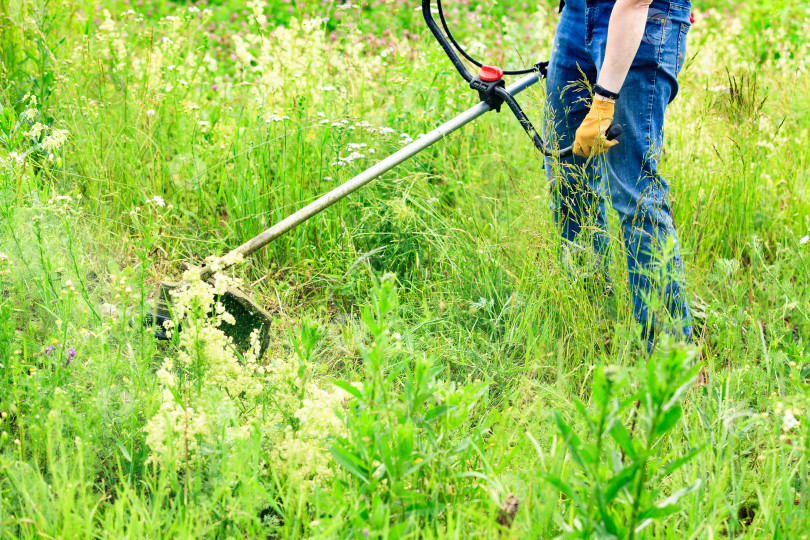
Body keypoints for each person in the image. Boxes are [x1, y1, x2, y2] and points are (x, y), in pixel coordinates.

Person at [544, 0, 693, 350]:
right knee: (568, 181)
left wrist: (605, 99)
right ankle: (597, 326)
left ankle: (670, 359)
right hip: (579, 15)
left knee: (635, 194)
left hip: (644, 17)